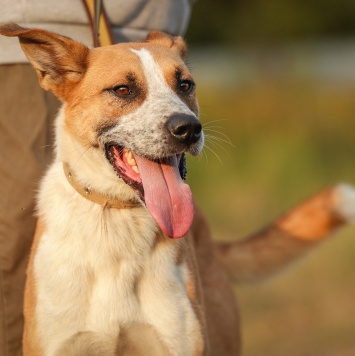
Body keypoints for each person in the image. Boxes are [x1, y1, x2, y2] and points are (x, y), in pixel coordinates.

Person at [0, 1, 195, 354]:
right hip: (37, 18)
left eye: (183, 87)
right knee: (12, 237)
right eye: (124, 91)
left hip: (154, 17)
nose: (183, 118)